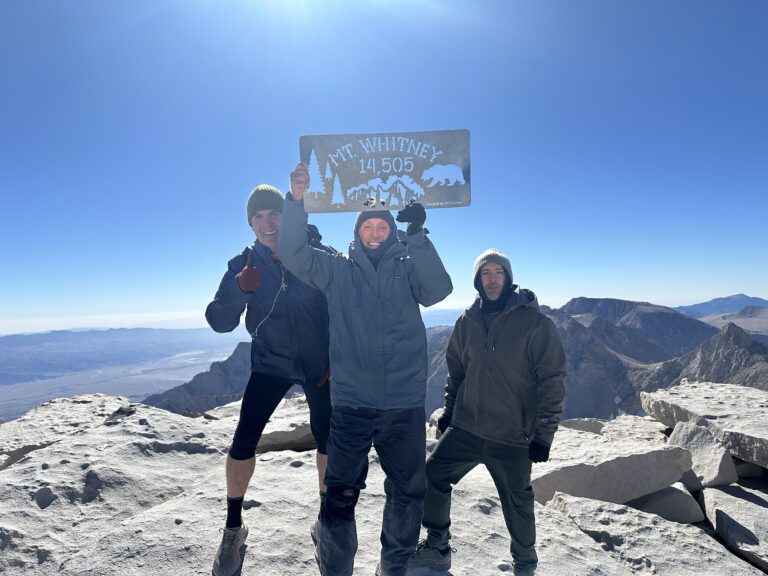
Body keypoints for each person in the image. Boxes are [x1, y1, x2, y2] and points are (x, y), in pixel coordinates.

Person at [279, 163, 453, 576]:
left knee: (408, 495)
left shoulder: (407, 266)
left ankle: (392, 569)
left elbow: (438, 290)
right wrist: (296, 201)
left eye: (382, 227)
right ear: (357, 232)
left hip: (403, 405)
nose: (375, 233)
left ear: (391, 232)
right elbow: (293, 253)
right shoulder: (338, 269)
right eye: (368, 227)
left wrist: (418, 236)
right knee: (339, 495)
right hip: (353, 404)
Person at [409, 248, 566, 576]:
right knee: (432, 475)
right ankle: (437, 546)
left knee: (518, 503)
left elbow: (552, 379)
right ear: (478, 280)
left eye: (498, 273)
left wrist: (544, 434)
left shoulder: (535, 324)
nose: (492, 279)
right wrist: (450, 411)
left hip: (511, 436)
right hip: (466, 428)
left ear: (508, 278)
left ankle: (525, 566)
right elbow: (457, 370)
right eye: (486, 273)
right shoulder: (468, 320)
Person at [206, 184, 335, 576]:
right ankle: (233, 528)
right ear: (250, 223)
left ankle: (326, 522)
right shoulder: (243, 264)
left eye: (274, 214)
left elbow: (347, 307)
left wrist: (337, 357)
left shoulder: (318, 256)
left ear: (287, 216)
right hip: (270, 364)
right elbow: (219, 321)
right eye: (258, 217)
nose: (267, 222)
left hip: (319, 366)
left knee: (328, 440)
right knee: (243, 441)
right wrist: (237, 288)